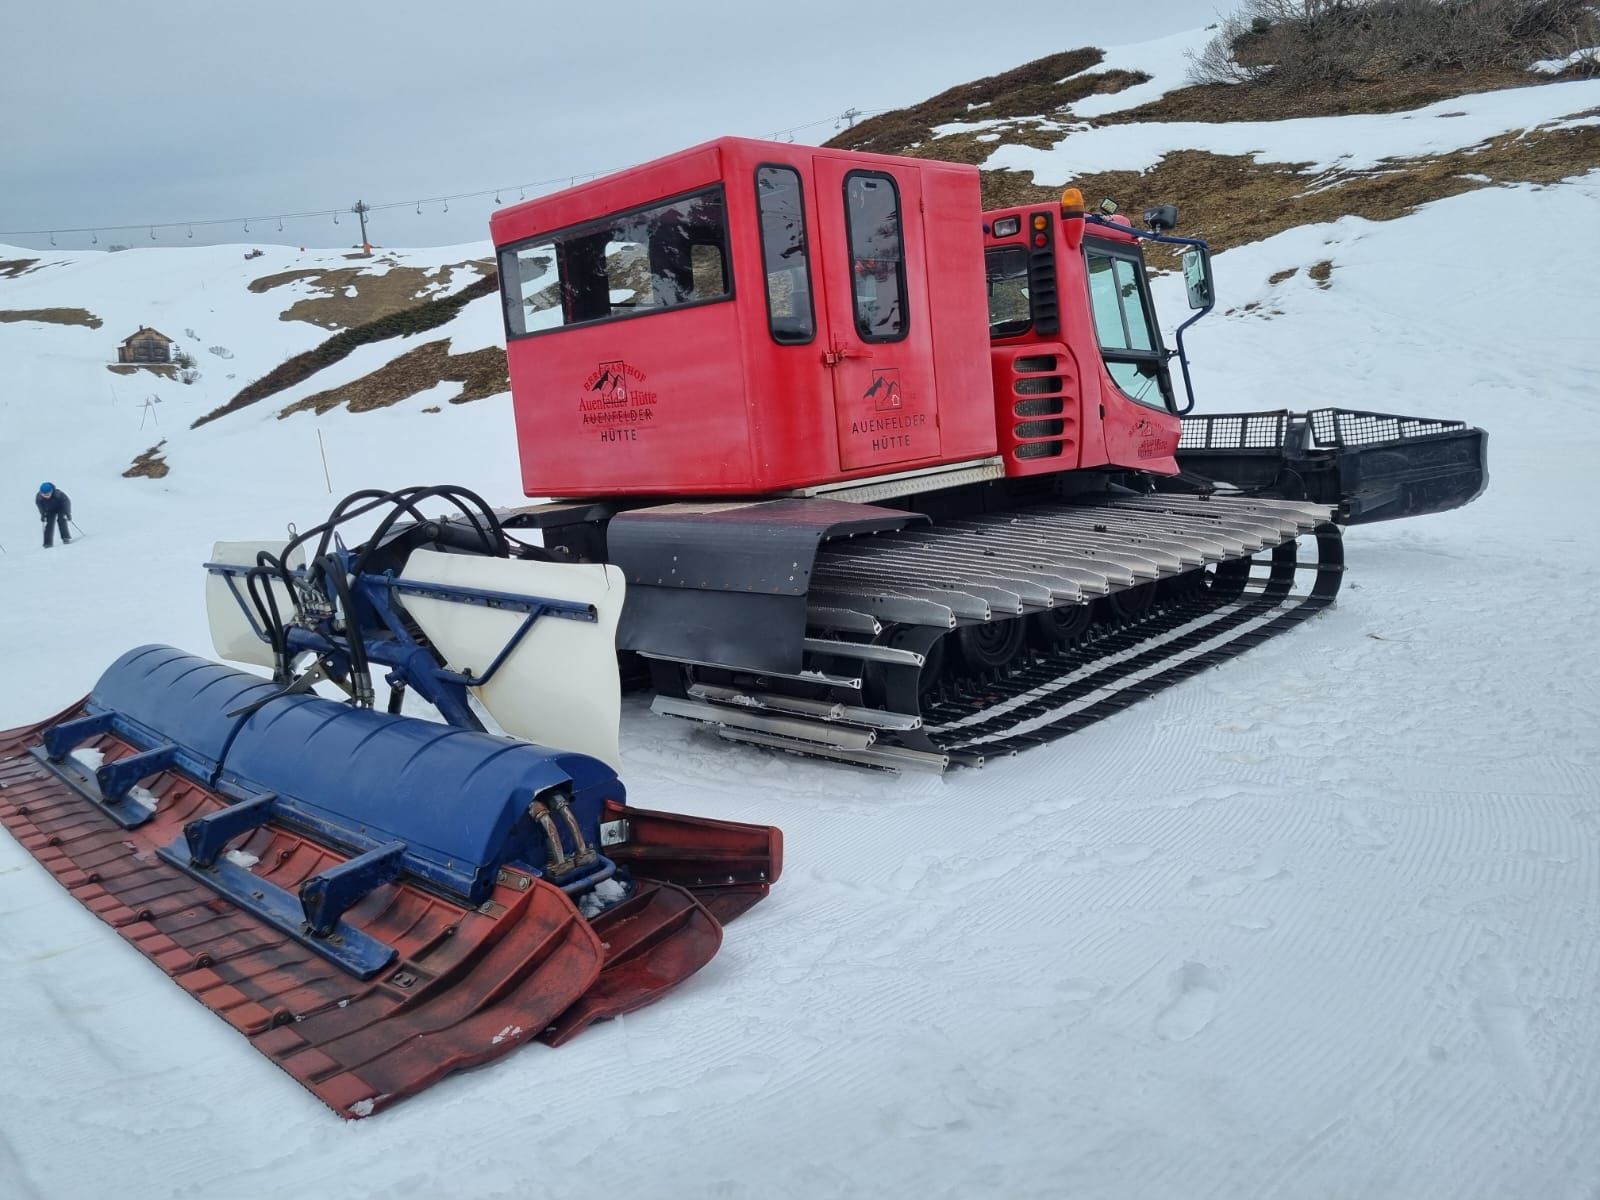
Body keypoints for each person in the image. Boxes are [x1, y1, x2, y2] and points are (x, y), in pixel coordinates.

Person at [36, 482, 71, 548]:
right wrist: (43, 515)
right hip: (49, 510)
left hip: (60, 508)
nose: (46, 496)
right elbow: (40, 507)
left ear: (52, 491)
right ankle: (47, 543)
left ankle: (65, 537)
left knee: (61, 520)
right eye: (44, 495)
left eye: (48, 494)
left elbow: (66, 503)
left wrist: (68, 513)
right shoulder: (39, 498)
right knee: (49, 524)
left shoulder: (58, 494)